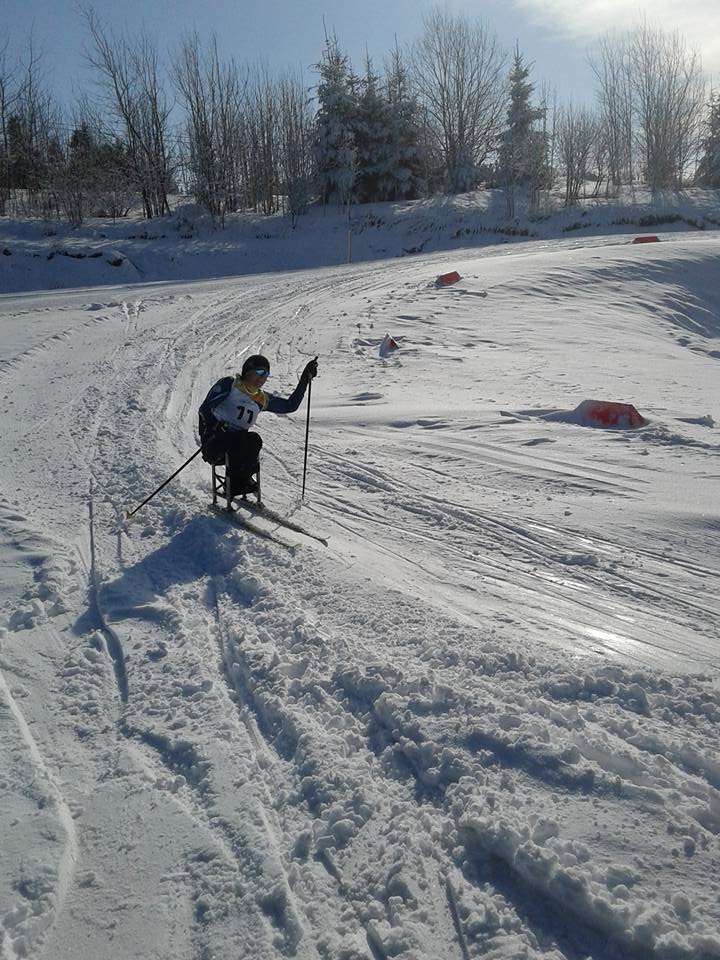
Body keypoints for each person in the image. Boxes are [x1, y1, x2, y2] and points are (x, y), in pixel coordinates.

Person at [198, 354, 318, 498]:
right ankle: (236, 484)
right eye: (259, 372)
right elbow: (204, 409)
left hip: (238, 447)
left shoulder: (261, 398)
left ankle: (242, 480)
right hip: (214, 443)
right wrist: (213, 427)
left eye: (266, 374)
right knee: (240, 440)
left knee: (254, 439)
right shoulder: (229, 385)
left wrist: (304, 379)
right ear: (247, 372)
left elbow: (289, 406)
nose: (262, 378)